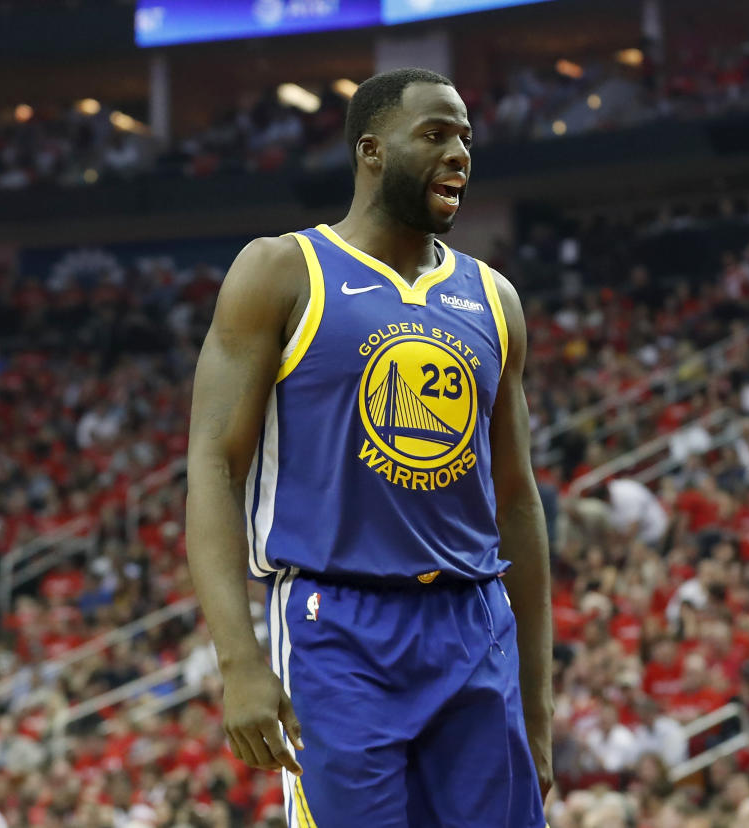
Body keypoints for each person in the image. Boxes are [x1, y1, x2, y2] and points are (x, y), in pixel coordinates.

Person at [186, 68, 552, 827]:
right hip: (336, 623)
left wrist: (538, 705)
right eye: (435, 134)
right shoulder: (282, 270)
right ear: (371, 151)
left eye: (465, 138)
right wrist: (239, 660)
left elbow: (517, 500)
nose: (458, 153)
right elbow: (214, 466)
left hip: (473, 619)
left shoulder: (493, 298)